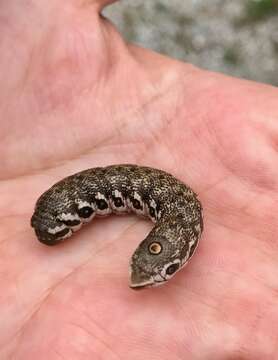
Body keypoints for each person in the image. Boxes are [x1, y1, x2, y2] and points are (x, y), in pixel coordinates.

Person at [1, 1, 277, 358]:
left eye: (156, 269)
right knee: (49, 226)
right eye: (149, 269)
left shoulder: (177, 216)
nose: (142, 279)